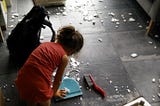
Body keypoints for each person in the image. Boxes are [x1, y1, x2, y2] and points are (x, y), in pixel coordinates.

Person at [15, 25, 84, 106]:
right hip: (38, 85)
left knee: (30, 97)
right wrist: (53, 93)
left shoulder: (45, 44)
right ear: (72, 51)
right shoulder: (64, 58)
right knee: (46, 102)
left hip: (22, 77)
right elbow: (58, 80)